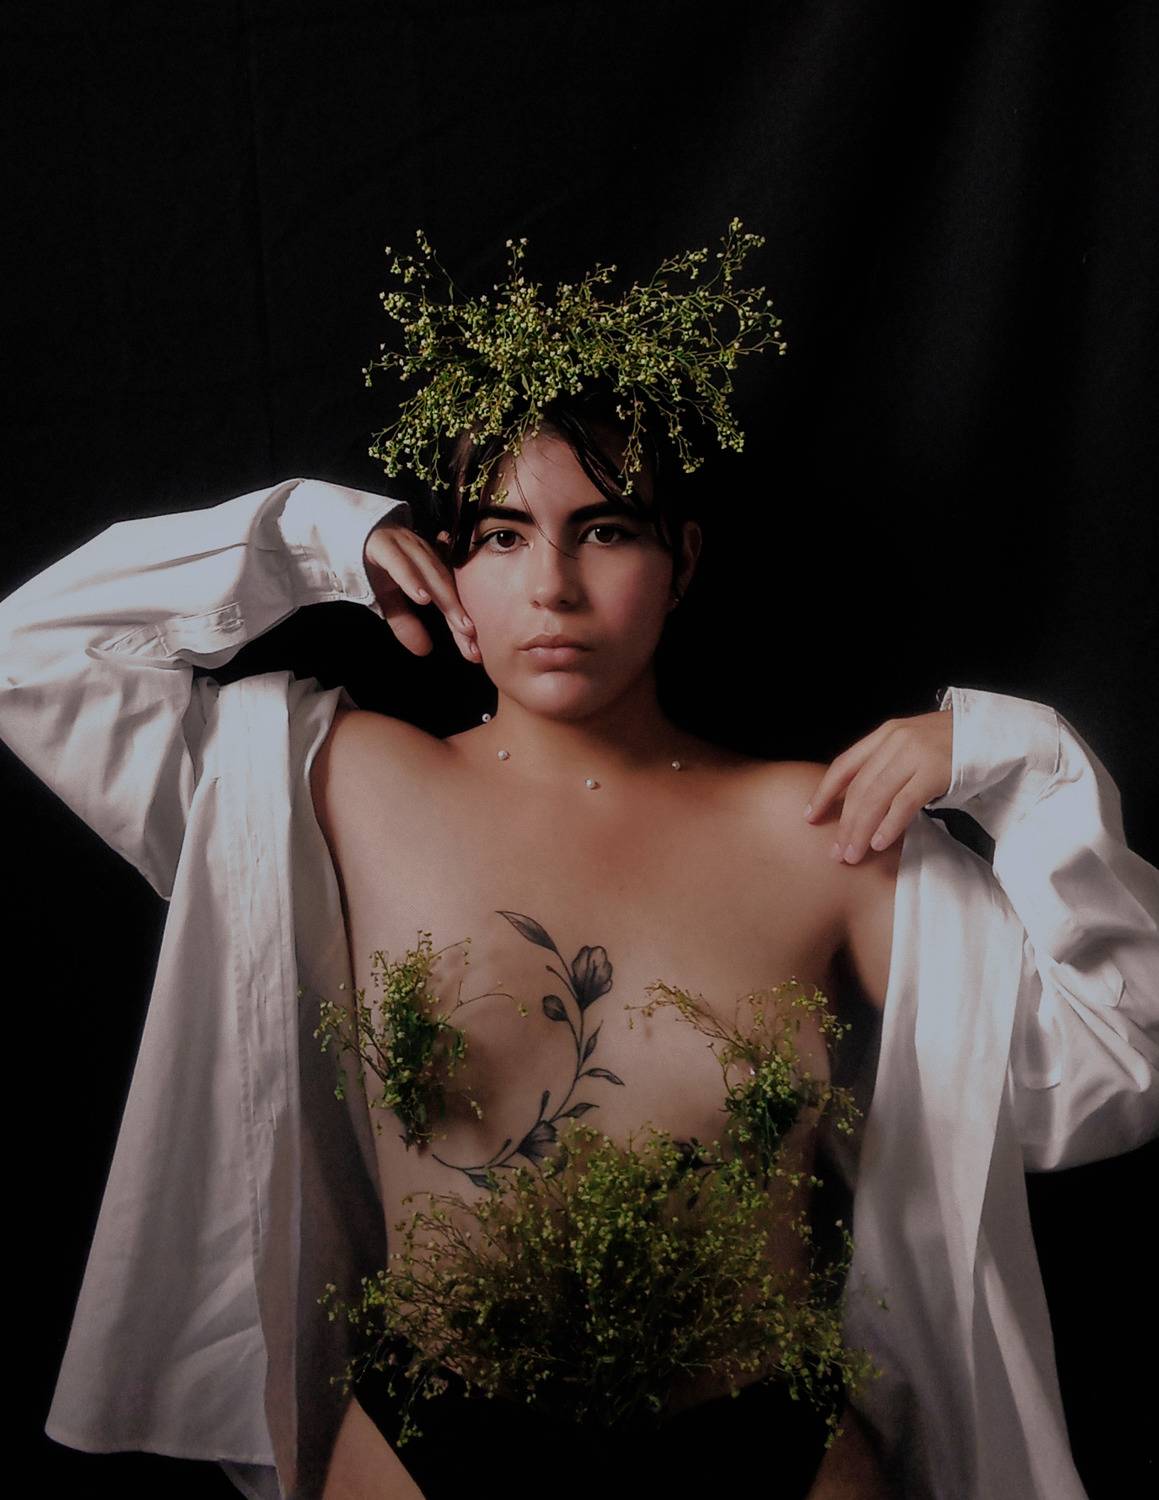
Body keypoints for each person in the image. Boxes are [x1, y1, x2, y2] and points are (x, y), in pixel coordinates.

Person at [3, 226, 1156, 1499]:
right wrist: (316, 542)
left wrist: (1010, 761)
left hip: (763, 1451)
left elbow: (1115, 1066)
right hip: (430, 1444)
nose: (550, 585)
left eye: (602, 531)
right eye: (500, 536)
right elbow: (30, 663)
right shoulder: (341, 786)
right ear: (443, 564)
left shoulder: (825, 828)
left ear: (681, 562)